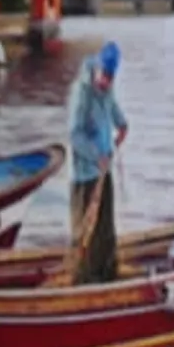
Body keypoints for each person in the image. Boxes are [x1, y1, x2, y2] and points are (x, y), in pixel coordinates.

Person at [67, 41, 129, 284]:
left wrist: (122, 124)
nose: (106, 82)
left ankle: (108, 274)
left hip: (104, 171)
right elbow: (75, 135)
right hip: (85, 175)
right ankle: (85, 279)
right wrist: (96, 156)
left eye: (111, 78)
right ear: (97, 69)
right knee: (87, 233)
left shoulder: (107, 88)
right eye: (104, 76)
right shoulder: (82, 94)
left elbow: (111, 106)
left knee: (106, 228)